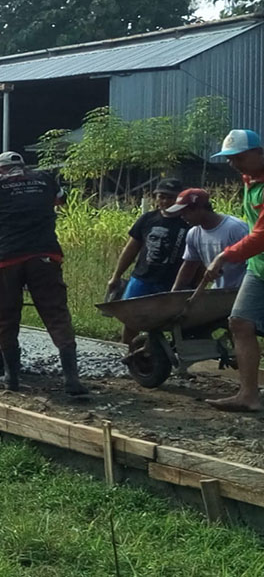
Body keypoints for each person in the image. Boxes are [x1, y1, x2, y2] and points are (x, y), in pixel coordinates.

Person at [0, 151, 87, 395]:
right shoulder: (45, 180)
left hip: (7, 258)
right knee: (56, 313)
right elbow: (61, 199)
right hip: (45, 256)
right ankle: (71, 379)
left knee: (5, 315)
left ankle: (11, 377)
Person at [202, 129, 264, 412]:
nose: (233, 164)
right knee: (240, 322)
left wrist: (224, 257)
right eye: (229, 159)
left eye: (238, 157)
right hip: (259, 267)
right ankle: (248, 395)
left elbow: (261, 235)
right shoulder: (250, 179)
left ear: (258, 153)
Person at [107, 178, 188, 345]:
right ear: (155, 197)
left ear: (179, 199)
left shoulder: (187, 224)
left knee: (170, 323)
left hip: (170, 283)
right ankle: (128, 352)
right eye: (161, 197)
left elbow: (195, 259)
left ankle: (162, 355)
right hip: (142, 278)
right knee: (131, 320)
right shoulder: (147, 219)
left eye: (170, 198)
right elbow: (130, 249)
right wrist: (116, 275)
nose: (165, 201)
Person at [168, 188, 248, 291]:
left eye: (185, 212)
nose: (182, 217)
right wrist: (174, 293)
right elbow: (190, 265)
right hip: (218, 292)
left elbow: (254, 263)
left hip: (241, 290)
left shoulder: (236, 229)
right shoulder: (193, 233)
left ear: (200, 208)